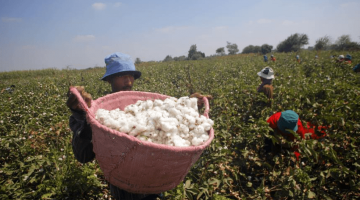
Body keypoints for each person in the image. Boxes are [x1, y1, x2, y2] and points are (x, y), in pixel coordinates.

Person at [66, 52, 211, 200]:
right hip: (123, 187)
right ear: (109, 80)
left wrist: (189, 104)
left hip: (154, 183)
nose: (128, 81)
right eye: (122, 76)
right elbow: (82, 156)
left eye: (131, 76)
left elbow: (170, 115)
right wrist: (84, 119)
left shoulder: (144, 106)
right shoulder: (101, 114)